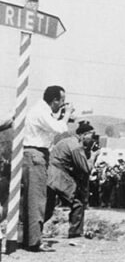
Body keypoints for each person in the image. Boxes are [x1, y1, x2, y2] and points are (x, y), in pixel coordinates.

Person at [20, 85, 74, 251]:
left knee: (32, 200)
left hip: (34, 155)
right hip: (36, 155)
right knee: (37, 200)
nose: (63, 104)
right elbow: (58, 128)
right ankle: (34, 242)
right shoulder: (41, 111)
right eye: (62, 101)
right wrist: (66, 116)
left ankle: (29, 239)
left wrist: (59, 115)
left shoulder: (41, 111)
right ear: (55, 100)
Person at [45, 121, 100, 239]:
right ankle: (75, 233)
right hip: (59, 176)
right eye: (91, 135)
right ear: (83, 135)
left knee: (47, 208)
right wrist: (94, 155)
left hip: (49, 175)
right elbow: (86, 169)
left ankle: (30, 230)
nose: (92, 139)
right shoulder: (76, 146)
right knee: (78, 203)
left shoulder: (65, 141)